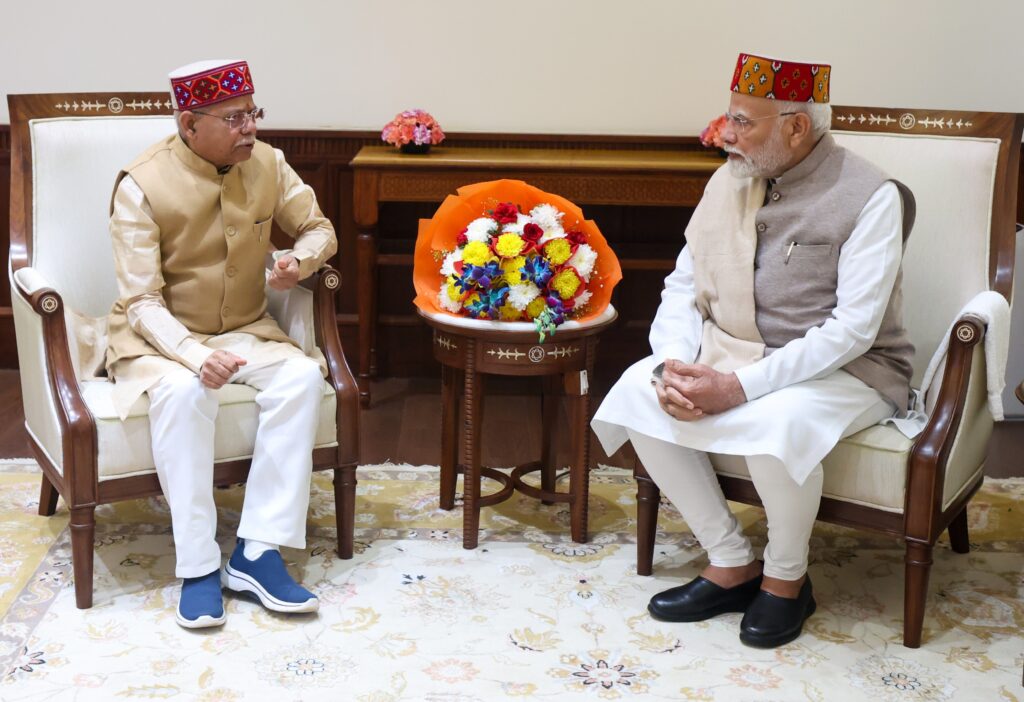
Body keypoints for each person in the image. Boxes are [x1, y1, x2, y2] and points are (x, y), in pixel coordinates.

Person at [592, 53, 916, 648]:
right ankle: (730, 562)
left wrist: (738, 387)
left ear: (796, 127)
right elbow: (684, 284)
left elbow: (853, 329)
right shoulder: (728, 179)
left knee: (778, 419)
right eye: (729, 117)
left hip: (849, 369)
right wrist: (672, 364)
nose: (726, 134)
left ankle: (787, 581)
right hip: (732, 348)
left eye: (743, 122)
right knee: (641, 389)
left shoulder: (871, 196)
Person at [104, 59, 338, 629]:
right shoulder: (140, 185)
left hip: (247, 329)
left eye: (253, 113)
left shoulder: (268, 163)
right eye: (234, 119)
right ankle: (199, 566)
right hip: (159, 340)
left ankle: (257, 551)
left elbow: (320, 229)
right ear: (189, 124)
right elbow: (141, 302)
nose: (250, 128)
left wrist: (297, 260)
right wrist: (195, 356)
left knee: (302, 376)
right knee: (185, 393)